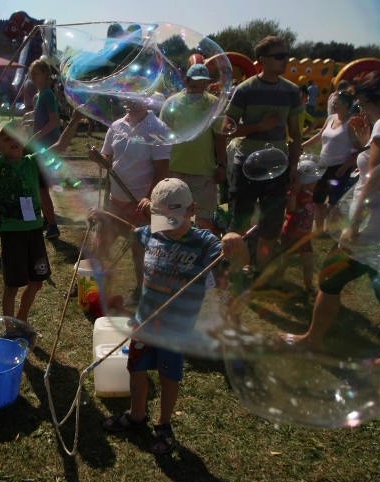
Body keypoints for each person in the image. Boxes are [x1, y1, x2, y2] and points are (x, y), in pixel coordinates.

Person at [97, 178, 249, 454]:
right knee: (137, 369)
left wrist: (234, 240)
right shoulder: (155, 233)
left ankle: (164, 424)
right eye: (162, 217)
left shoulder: (204, 243)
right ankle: (136, 414)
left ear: (192, 210)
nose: (169, 224)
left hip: (176, 331)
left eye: (175, 218)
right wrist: (104, 217)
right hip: (144, 324)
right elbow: (132, 231)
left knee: (169, 377)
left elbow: (236, 264)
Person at [283, 70, 380, 365]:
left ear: (375, 99)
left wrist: (354, 224)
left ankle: (312, 340)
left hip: (373, 224)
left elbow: (375, 178)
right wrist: (365, 141)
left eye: (362, 103)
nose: (361, 109)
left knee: (329, 279)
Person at [0, 98, 82, 333]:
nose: (12, 141)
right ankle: (9, 328)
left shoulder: (32, 162)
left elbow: (60, 146)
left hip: (35, 231)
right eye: (5, 138)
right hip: (12, 235)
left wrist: (74, 120)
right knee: (12, 286)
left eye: (15, 137)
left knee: (37, 282)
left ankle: (20, 321)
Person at [225, 36, 303, 280]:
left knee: (271, 224)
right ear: (262, 61)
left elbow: (296, 134)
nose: (285, 60)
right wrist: (260, 126)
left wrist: (293, 165)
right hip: (246, 164)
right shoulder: (245, 89)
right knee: (240, 220)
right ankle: (234, 271)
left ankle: (260, 272)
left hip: (278, 167)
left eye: (286, 55)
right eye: (279, 56)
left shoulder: (291, 91)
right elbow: (229, 129)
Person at [89, 97, 171, 305]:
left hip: (140, 204)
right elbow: (108, 158)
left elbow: (162, 169)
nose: (131, 102)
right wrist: (99, 158)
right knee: (100, 243)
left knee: (139, 249)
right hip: (115, 199)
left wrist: (148, 196)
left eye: (136, 99)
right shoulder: (116, 126)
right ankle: (90, 283)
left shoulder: (158, 128)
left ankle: (140, 290)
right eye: (127, 98)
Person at [158, 63, 228, 232]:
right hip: (175, 169)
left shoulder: (214, 104)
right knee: (169, 216)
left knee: (203, 219)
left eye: (203, 85)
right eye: (195, 85)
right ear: (186, 81)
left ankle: (201, 254)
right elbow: (161, 136)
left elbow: (220, 137)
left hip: (204, 171)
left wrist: (222, 165)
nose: (198, 90)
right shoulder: (172, 103)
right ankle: (167, 252)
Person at [301, 89, 361, 232]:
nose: (333, 105)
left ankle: (333, 230)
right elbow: (320, 136)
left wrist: (345, 167)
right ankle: (320, 230)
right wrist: (301, 145)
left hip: (339, 167)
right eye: (333, 103)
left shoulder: (350, 124)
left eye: (337, 103)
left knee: (335, 201)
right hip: (323, 165)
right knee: (317, 199)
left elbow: (357, 149)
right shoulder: (331, 118)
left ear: (347, 105)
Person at [272, 162, 322, 295]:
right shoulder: (296, 193)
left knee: (308, 263)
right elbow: (290, 209)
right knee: (284, 261)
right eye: (314, 181)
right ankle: (277, 283)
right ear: (306, 181)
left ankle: (308, 287)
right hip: (290, 234)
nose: (317, 183)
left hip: (305, 236)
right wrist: (293, 195)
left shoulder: (311, 193)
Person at [27, 58, 62, 240]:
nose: (32, 76)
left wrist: (35, 136)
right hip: (41, 145)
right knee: (38, 186)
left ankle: (52, 226)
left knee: (41, 188)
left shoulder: (47, 94)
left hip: (45, 146)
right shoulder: (41, 94)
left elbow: (54, 122)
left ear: (45, 74)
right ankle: (46, 221)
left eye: (36, 73)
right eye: (31, 73)